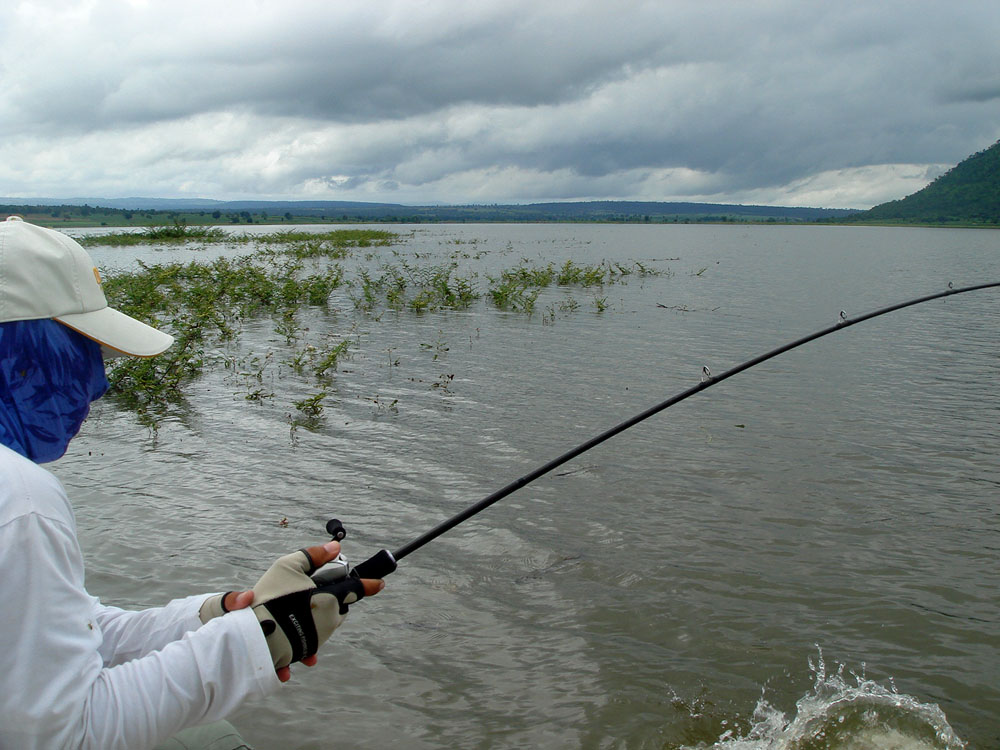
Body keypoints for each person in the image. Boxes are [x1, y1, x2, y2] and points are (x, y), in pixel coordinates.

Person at [0, 216, 384, 749]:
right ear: (21, 350)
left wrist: (218, 614)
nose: (97, 383)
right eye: (78, 350)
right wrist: (265, 638)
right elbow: (66, 735)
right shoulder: (19, 500)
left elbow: (68, 634)